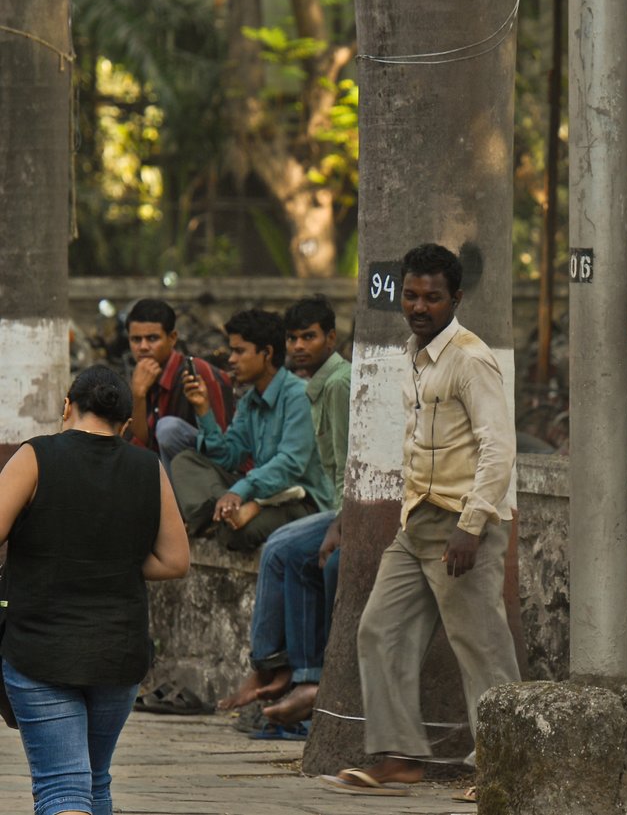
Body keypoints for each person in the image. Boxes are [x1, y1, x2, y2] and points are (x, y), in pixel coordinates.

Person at [321, 244, 520, 797]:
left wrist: (473, 526)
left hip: (463, 527)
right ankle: (399, 755)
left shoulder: (470, 358)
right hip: (417, 524)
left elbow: (498, 450)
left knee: (482, 648)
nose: (419, 305)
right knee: (378, 628)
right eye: (411, 295)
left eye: (432, 297)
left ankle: (504, 770)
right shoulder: (414, 352)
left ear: (455, 298)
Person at [0, 365, 190, 815]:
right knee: (93, 780)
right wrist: (109, 558)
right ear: (125, 424)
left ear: (67, 406)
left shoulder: (35, 456)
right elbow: (174, 561)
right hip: (118, 655)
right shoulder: (147, 466)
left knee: (63, 789)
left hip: (40, 649)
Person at [219, 296, 351, 720]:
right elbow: (229, 450)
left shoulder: (337, 385)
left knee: (286, 549)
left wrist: (342, 521)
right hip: (326, 505)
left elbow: (344, 466)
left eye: (309, 337)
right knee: (285, 549)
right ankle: (290, 674)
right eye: (293, 337)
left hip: (328, 504)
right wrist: (204, 411)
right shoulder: (313, 386)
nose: (299, 346)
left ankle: (299, 678)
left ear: (331, 337)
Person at [169, 308, 335, 552]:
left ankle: (222, 516)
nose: (231, 360)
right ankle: (224, 512)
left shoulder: (299, 395)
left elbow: (290, 464)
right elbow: (228, 456)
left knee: (235, 534)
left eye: (239, 351)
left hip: (300, 500)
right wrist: (204, 410)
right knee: (185, 462)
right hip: (260, 490)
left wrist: (240, 492)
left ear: (266, 353)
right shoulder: (249, 401)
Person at [124, 298, 236, 474]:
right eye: (136, 339)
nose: (143, 347)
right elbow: (140, 445)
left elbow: (225, 444)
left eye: (152, 338)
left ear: (172, 338)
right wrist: (138, 395)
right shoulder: (141, 377)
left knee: (168, 429)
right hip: (160, 472)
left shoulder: (198, 372)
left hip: (210, 473)